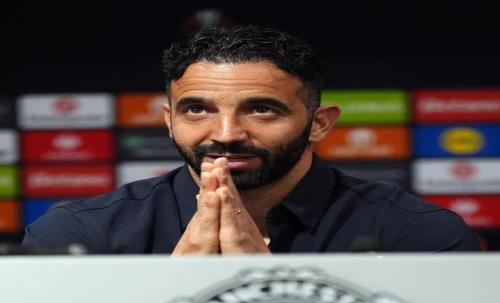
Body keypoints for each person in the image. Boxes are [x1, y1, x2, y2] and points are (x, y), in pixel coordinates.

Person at [22, 25, 480, 254]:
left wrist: (267, 291)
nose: (226, 134)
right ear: (168, 120)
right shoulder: (80, 237)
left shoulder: (419, 237)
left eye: (262, 109)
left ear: (319, 123)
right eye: (197, 109)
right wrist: (166, 291)